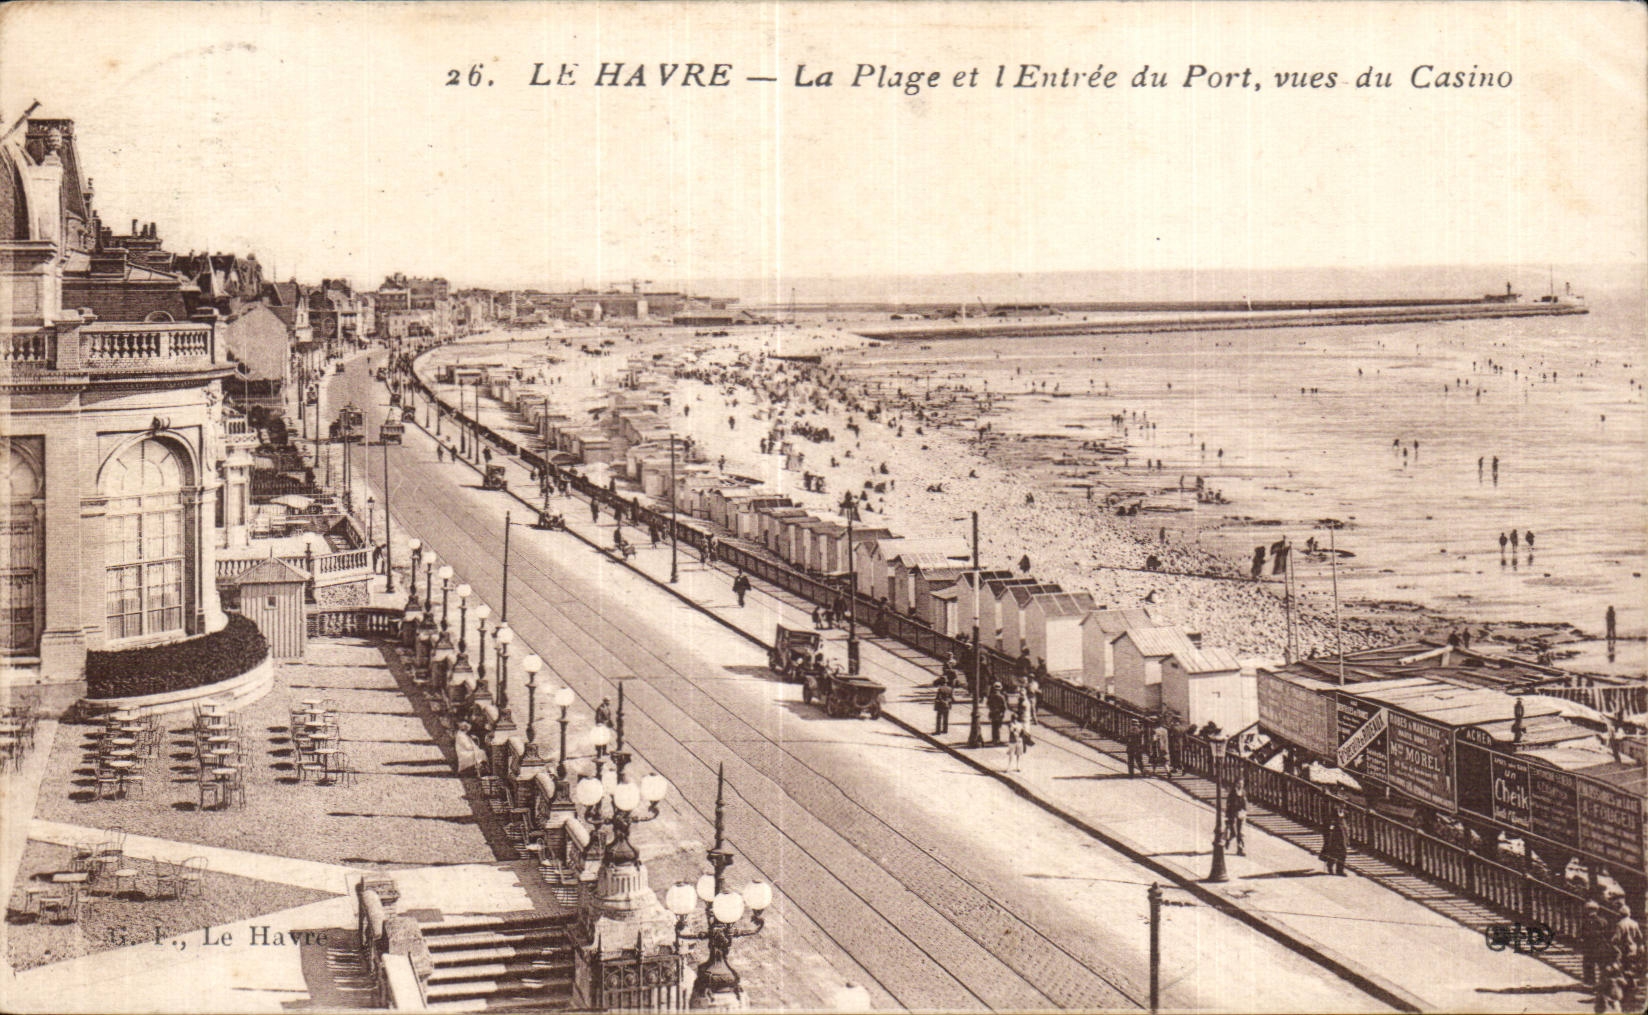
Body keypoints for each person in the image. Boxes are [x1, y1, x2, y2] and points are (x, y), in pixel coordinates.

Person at [1320, 807, 1348, 875]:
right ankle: (1330, 866)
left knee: (1343, 850)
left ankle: (1340, 870)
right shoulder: (1332, 810)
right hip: (1334, 833)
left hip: (1343, 832)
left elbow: (1346, 823)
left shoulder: (1345, 812)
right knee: (1334, 850)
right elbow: (1329, 823)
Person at [1226, 778, 1248, 856]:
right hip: (1233, 814)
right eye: (1239, 783)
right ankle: (1227, 840)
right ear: (1236, 784)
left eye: (1242, 783)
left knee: (1241, 833)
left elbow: (1245, 803)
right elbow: (1228, 804)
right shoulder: (1232, 793)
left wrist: (1245, 811)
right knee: (1234, 833)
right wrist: (1228, 815)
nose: (1241, 785)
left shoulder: (1243, 792)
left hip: (1241, 814)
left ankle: (1240, 849)